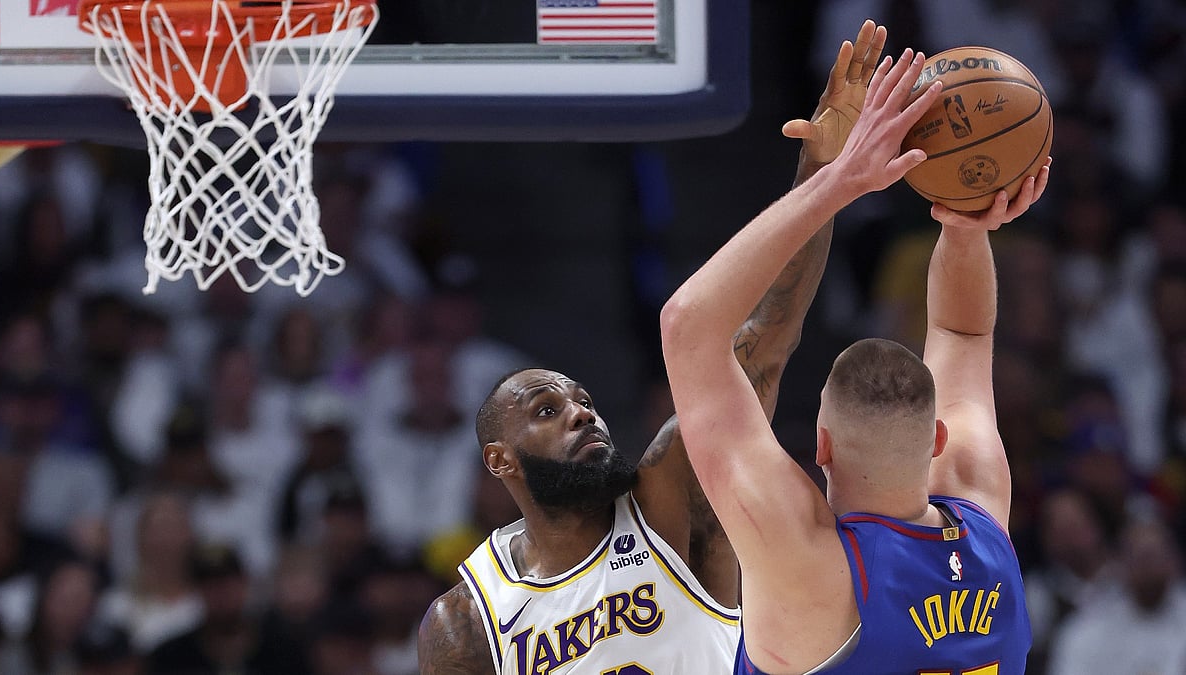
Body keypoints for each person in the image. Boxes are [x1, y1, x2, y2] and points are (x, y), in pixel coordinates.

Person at [416, 19, 890, 675]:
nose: (583, 411)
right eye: (547, 410)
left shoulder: (672, 498)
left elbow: (765, 339)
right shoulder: (466, 619)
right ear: (500, 459)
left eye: (582, 400)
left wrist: (819, 177)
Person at [660, 48, 1050, 674]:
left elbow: (687, 328)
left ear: (821, 445)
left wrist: (839, 178)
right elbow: (961, 330)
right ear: (938, 441)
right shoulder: (979, 511)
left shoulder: (809, 569)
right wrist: (966, 223)